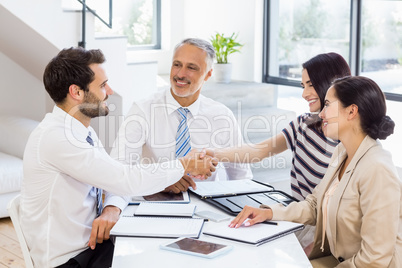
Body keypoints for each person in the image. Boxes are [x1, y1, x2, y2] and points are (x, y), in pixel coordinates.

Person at [20, 47, 217, 268]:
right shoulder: (58, 138)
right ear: (76, 92)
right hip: (70, 261)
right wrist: (185, 164)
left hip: (93, 248)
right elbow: (125, 178)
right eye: (103, 85)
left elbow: (114, 177)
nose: (110, 91)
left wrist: (112, 208)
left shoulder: (80, 131)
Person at [230, 76, 401, 267]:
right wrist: (269, 212)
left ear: (352, 111)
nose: (321, 114)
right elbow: (314, 205)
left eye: (327, 104)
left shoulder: (377, 169)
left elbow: (375, 259)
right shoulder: (342, 152)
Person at [205, 52, 351, 251]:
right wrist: (211, 154)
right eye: (303, 86)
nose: (304, 93)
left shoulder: (348, 142)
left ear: (330, 83)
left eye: (310, 84)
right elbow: (259, 151)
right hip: (293, 215)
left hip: (323, 228)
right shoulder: (304, 124)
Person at [110, 38, 252, 194]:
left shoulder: (222, 116)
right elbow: (119, 169)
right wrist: (162, 180)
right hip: (155, 203)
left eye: (191, 67)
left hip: (208, 206)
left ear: (208, 74)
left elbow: (241, 177)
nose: (181, 74)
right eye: (177, 65)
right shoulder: (143, 110)